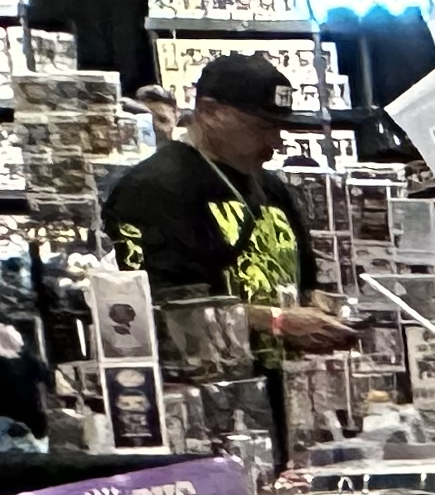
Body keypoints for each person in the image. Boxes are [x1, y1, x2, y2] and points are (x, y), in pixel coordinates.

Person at [101, 51, 352, 352]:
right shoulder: (151, 189)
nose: (277, 141)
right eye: (262, 127)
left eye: (280, 127)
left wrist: (327, 309)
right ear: (209, 112)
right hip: (208, 388)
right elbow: (160, 309)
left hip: (285, 386)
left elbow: (305, 284)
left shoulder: (271, 186)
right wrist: (275, 322)